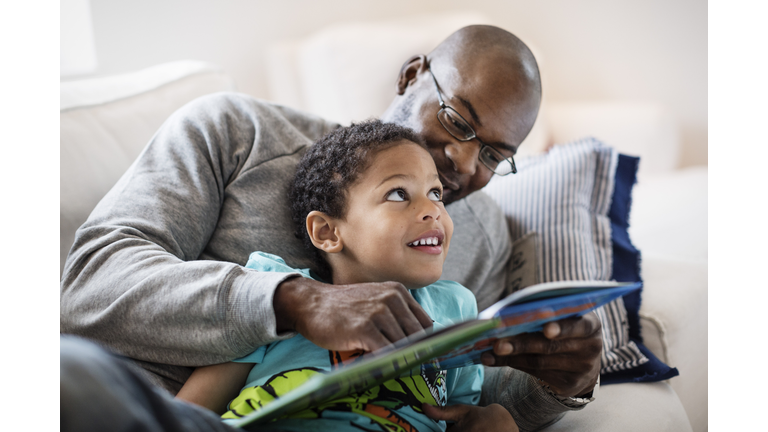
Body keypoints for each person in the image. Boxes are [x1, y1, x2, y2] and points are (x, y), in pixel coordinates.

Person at [60, 25, 601, 431]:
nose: (461, 162)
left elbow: (468, 392)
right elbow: (88, 284)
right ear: (411, 76)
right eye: (457, 120)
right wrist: (292, 301)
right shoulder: (238, 131)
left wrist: (559, 385)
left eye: (492, 155)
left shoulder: (479, 234)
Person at [175, 119, 518, 432]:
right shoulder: (275, 293)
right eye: (398, 194)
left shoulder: (455, 309)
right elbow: (186, 414)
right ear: (327, 232)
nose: (432, 210)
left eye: (436, 193)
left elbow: (458, 417)